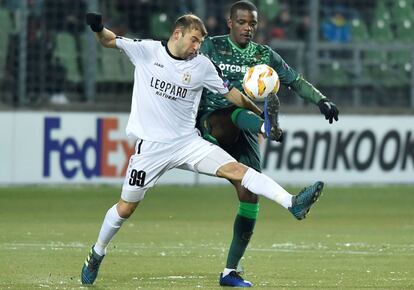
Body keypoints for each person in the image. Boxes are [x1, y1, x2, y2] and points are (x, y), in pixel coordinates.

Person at [81, 11, 325, 287]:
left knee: (238, 171)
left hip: (188, 143)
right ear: (177, 34)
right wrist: (98, 27)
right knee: (126, 208)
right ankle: (97, 253)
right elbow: (109, 41)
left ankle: (292, 203)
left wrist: (262, 117)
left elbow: (233, 96)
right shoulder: (147, 51)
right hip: (151, 149)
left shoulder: (202, 66)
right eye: (194, 40)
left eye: (200, 42)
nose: (197, 47)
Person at [197, 1, 339, 287]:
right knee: (232, 114)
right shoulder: (211, 47)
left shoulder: (263, 55)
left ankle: (230, 272)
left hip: (245, 129)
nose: (247, 28)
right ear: (229, 23)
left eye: (252, 23)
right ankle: (266, 125)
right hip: (212, 120)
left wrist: (321, 100)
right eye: (242, 22)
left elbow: (295, 80)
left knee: (250, 195)